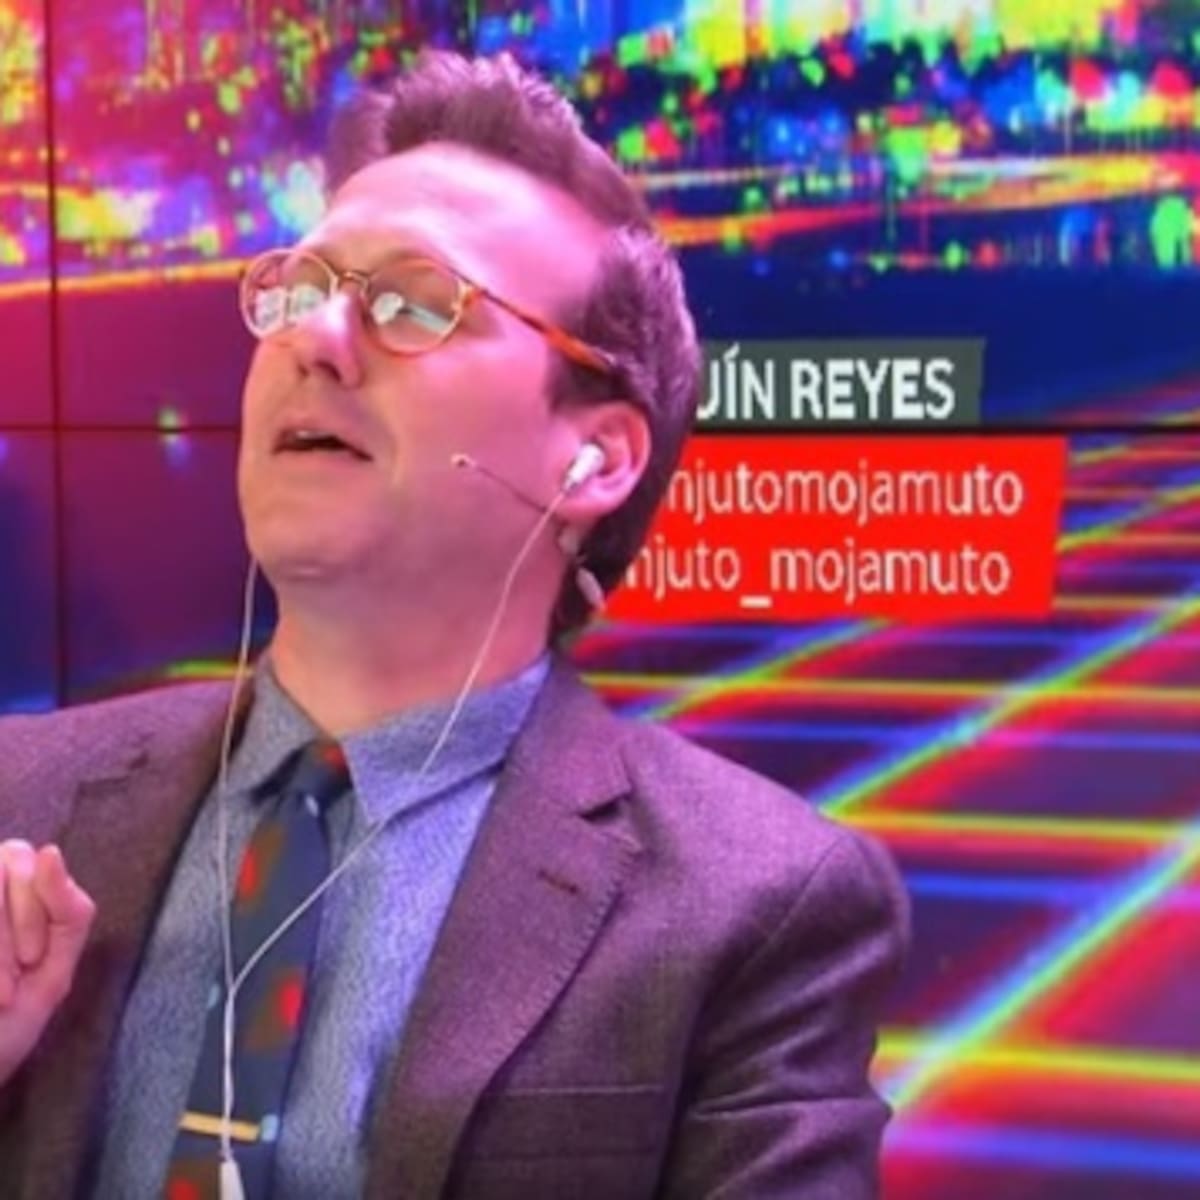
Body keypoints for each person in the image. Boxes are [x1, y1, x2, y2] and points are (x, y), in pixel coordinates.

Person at [0, 49, 910, 1200]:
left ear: (594, 459)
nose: (315, 339)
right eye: (298, 288)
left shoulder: (759, 905)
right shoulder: (19, 801)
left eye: (415, 304)